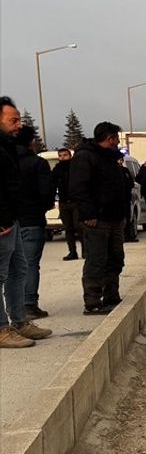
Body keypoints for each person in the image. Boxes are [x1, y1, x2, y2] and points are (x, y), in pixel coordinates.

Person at [0, 96, 51, 347]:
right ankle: (1, 330)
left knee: (19, 269)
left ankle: (19, 321)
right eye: (13, 120)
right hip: (3, 222)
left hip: (14, 219)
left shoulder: (8, 146)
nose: (19, 124)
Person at [69, 121, 131, 315]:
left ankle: (111, 295)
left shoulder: (111, 158)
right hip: (97, 220)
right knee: (97, 261)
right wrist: (89, 215)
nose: (118, 142)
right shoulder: (85, 157)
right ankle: (93, 301)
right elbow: (78, 189)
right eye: (116, 138)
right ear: (109, 138)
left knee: (115, 259)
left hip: (115, 219)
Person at [13, 125, 55, 318]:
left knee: (12, 267)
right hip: (32, 220)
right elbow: (46, 193)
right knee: (30, 264)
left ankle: (15, 307)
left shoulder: (7, 162)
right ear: (31, 141)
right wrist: (41, 208)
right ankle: (29, 304)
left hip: (10, 222)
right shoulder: (37, 164)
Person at [50, 146, 80, 260]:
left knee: (79, 227)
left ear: (70, 156)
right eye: (60, 156)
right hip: (63, 202)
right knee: (68, 228)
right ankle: (72, 251)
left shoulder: (75, 168)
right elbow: (52, 185)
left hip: (75, 202)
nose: (62, 158)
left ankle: (86, 251)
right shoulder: (57, 170)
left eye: (65, 155)